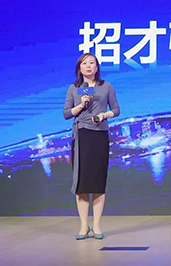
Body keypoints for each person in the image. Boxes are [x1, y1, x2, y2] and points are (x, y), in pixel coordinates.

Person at [63, 53, 120, 240]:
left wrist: (104, 115)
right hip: (82, 135)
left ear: (97, 67)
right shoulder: (74, 88)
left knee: (98, 182)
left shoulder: (106, 86)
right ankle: (83, 226)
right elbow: (66, 114)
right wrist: (81, 105)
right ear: (79, 68)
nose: (88, 66)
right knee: (83, 183)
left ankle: (96, 226)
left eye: (92, 63)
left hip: (100, 135)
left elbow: (116, 110)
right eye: (84, 63)